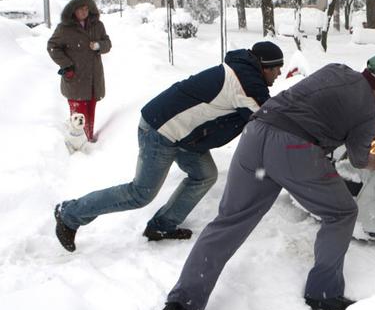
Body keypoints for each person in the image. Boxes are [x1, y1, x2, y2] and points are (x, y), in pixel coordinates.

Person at [148, 54, 375, 310]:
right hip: (294, 150)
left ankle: (178, 304)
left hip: (256, 133)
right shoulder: (367, 112)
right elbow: (359, 158)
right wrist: (371, 151)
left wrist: (357, 129)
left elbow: (323, 109)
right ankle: (323, 294)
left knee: (229, 222)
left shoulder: (335, 70)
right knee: (341, 213)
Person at [53, 41, 285, 252]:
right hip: (160, 130)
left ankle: (162, 226)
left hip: (184, 136)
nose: (279, 73)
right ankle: (69, 214)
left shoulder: (244, 74)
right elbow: (268, 119)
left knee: (204, 175)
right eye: (277, 68)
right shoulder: (246, 83)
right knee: (140, 193)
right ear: (264, 66)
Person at [47, 0, 112, 142]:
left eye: (86, 8)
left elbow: (107, 43)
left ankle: (88, 139)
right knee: (78, 115)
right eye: (80, 9)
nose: (84, 11)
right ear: (73, 10)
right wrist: (66, 65)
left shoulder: (98, 25)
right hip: (75, 78)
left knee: (90, 111)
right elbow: (52, 47)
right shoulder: (64, 28)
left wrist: (98, 46)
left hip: (94, 78)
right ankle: (78, 144)